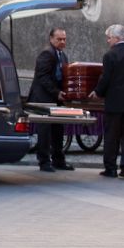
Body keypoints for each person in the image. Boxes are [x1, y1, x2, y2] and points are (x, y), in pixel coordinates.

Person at [88, 24, 124, 178]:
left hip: (115, 104)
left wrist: (97, 92)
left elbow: (105, 78)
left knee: (111, 136)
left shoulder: (110, 56)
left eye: (109, 38)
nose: (107, 41)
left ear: (116, 38)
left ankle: (111, 168)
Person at [28, 27, 74, 172]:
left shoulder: (63, 56)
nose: (62, 42)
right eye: (59, 39)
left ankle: (59, 160)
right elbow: (43, 77)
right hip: (44, 98)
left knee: (58, 129)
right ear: (51, 39)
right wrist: (56, 92)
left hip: (57, 98)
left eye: (64, 39)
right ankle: (44, 161)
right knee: (45, 131)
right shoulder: (47, 54)